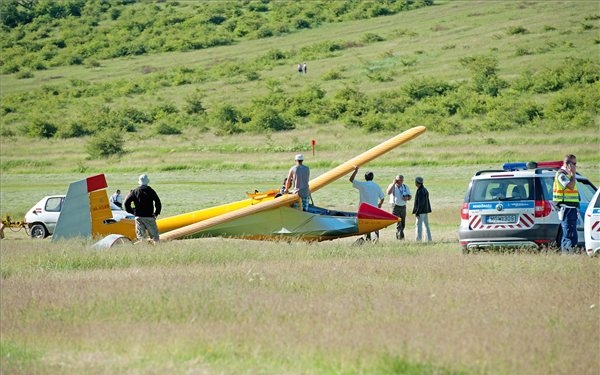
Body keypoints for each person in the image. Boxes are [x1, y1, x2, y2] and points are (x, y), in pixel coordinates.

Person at [350, 166, 385, 242]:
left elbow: (351, 180)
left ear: (365, 178)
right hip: (374, 209)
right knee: (375, 225)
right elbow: (382, 197)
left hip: (364, 210)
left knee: (366, 225)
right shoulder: (376, 186)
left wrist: (356, 171)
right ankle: (376, 239)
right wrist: (380, 204)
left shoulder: (362, 185)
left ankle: (368, 239)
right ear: (373, 177)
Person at [553, 154, 580, 254]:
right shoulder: (561, 174)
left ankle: (566, 255)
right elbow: (571, 186)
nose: (575, 166)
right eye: (574, 163)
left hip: (571, 208)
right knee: (570, 235)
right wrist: (573, 174)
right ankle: (570, 254)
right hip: (566, 208)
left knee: (567, 235)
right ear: (568, 164)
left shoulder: (567, 174)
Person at [124, 174, 162, 244]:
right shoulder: (150, 191)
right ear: (147, 182)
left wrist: (133, 212)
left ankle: (144, 250)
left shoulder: (135, 191)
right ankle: (157, 250)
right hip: (149, 217)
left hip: (138, 217)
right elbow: (158, 202)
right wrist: (156, 213)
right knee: (155, 237)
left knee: (141, 237)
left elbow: (126, 202)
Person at [387, 174, 411, 240]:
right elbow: (388, 192)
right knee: (399, 223)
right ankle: (401, 239)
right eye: (398, 180)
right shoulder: (392, 186)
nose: (400, 181)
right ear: (395, 179)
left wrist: (407, 198)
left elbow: (410, 196)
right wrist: (393, 183)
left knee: (403, 224)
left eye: (401, 180)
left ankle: (399, 236)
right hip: (395, 207)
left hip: (403, 206)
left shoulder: (405, 187)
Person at [412, 176, 432, 242]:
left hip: (421, 212)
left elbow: (420, 203)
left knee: (418, 226)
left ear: (417, 183)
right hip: (425, 211)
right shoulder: (425, 189)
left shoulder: (420, 191)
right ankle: (429, 239)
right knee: (426, 226)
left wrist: (417, 212)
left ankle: (418, 240)